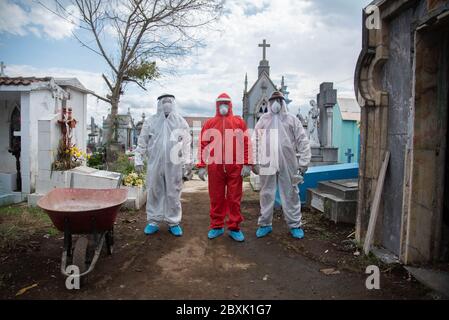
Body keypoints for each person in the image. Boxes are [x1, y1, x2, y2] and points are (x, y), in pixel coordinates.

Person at [252, 91, 311, 239]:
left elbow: (302, 141)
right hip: (267, 161)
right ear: (270, 103)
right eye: (273, 101)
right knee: (266, 192)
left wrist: (303, 163)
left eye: (278, 100)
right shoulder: (263, 120)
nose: (276, 103)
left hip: (288, 161)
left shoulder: (292, 120)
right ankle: (265, 224)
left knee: (291, 192)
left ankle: (295, 225)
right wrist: (254, 161)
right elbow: (255, 141)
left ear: (282, 102)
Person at [134, 94, 192, 237]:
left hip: (175, 164)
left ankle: (174, 222)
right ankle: (153, 221)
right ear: (159, 104)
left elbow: (186, 144)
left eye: (169, 101)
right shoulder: (151, 122)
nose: (166, 104)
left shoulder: (180, 122)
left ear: (173, 103)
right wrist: (138, 159)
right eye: (164, 102)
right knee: (154, 190)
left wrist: (187, 162)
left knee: (173, 192)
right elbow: (142, 141)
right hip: (155, 163)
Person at [197, 93, 252, 242]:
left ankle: (234, 227)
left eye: (226, 103)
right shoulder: (210, 124)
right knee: (216, 197)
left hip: (235, 165)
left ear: (230, 105)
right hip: (216, 167)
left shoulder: (238, 122)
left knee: (234, 198)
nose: (223, 106)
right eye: (220, 103)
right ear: (217, 105)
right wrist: (201, 165)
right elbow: (203, 145)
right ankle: (217, 226)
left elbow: (246, 143)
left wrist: (247, 163)